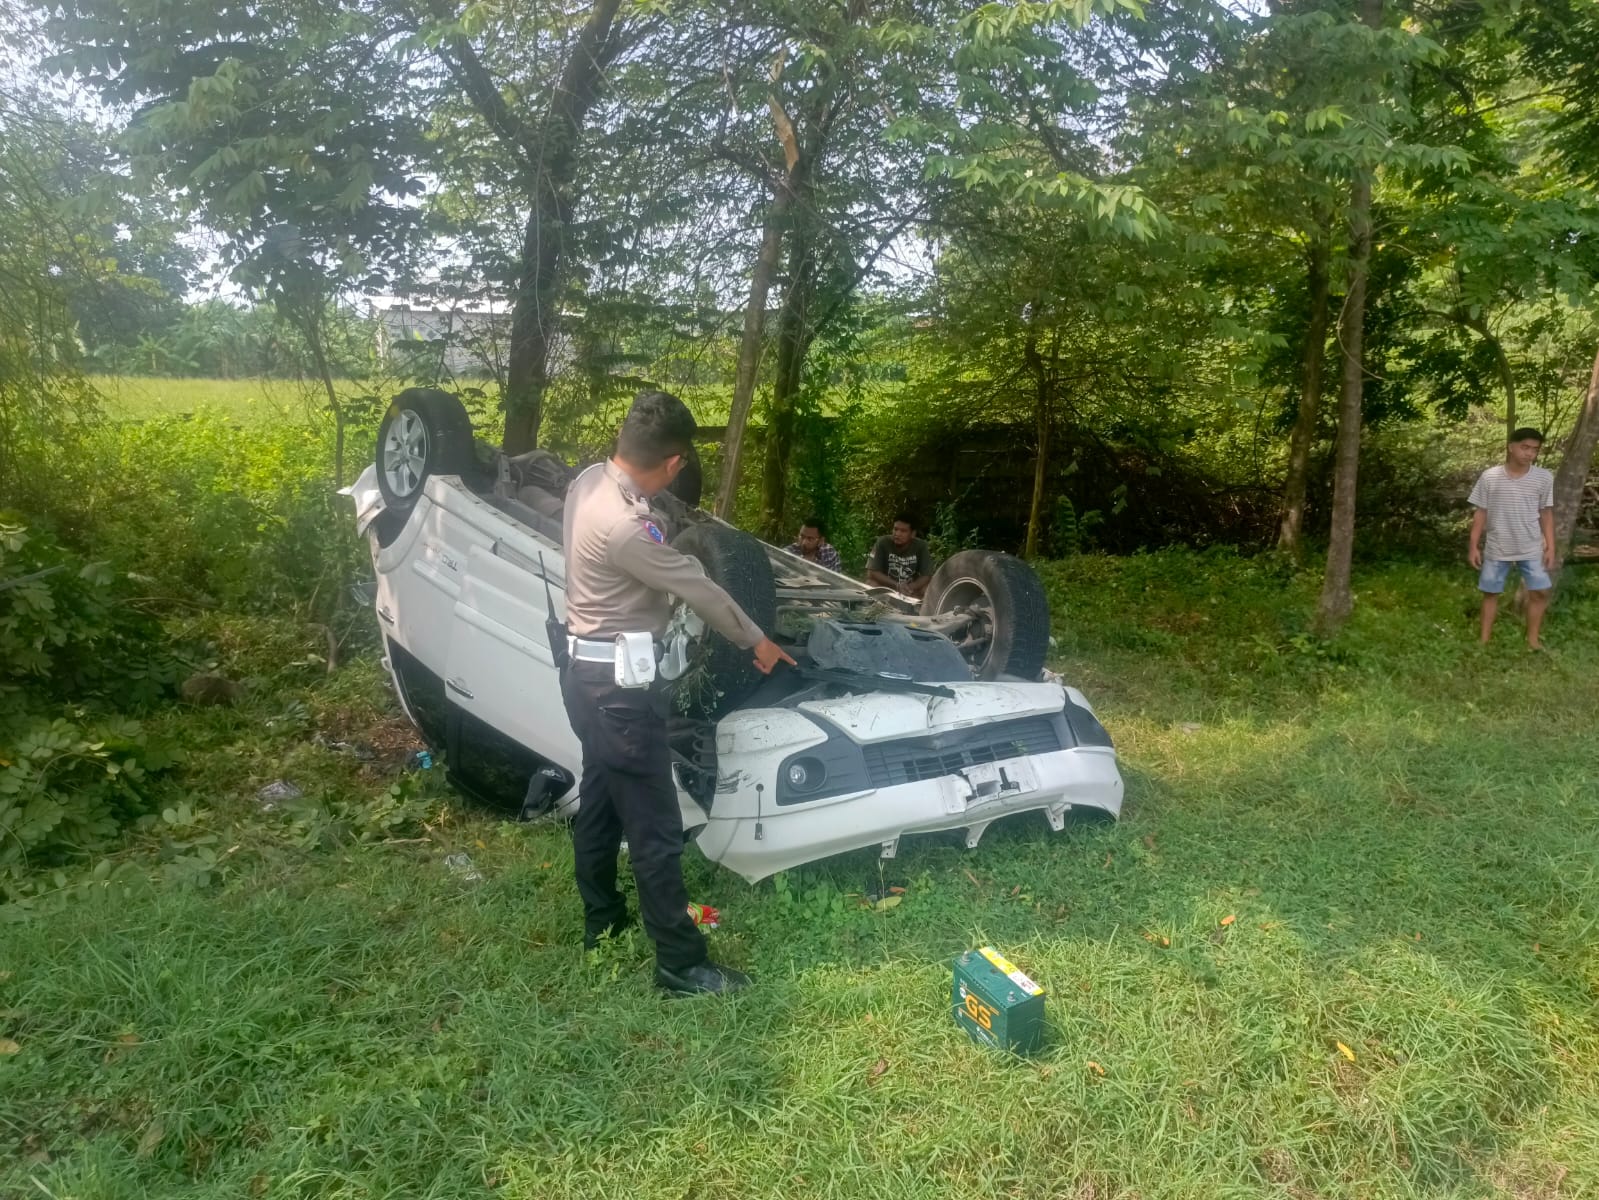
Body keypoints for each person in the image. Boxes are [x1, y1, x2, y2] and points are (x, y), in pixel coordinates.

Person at [560, 391, 795, 995]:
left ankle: (602, 922)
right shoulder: (627, 529)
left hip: (585, 679)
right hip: (620, 694)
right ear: (672, 464)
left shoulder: (589, 482)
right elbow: (694, 583)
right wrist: (756, 641)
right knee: (656, 829)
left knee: (601, 801)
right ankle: (680, 964)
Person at [1468, 426, 1557, 648]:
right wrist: (1473, 546)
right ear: (1511, 447)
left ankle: (1533, 640)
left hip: (1531, 547)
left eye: (1534, 450)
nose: (1528, 453)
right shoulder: (1490, 476)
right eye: (1524, 447)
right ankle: (1484, 641)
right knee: (1491, 592)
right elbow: (1481, 513)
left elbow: (1546, 513)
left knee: (1540, 592)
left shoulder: (1543, 478)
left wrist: (1551, 546)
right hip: (1498, 546)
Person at [867, 512, 933, 599]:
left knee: (928, 589)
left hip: (910, 588)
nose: (897, 534)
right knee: (870, 584)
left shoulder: (921, 546)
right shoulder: (882, 542)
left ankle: (919, 610)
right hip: (887, 586)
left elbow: (926, 575)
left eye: (903, 531)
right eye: (895, 529)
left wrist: (910, 587)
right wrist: (897, 585)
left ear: (913, 534)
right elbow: (872, 572)